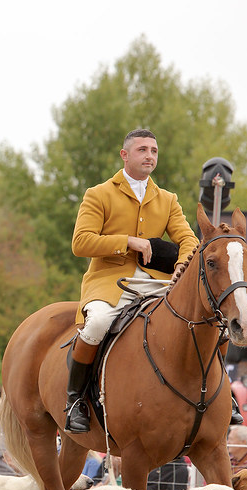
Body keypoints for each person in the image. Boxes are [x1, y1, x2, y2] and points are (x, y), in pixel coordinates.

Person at [63, 129, 200, 433]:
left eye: (153, 150)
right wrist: (128, 242)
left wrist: (180, 265)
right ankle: (76, 401)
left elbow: (188, 239)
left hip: (158, 283)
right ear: (125, 155)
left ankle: (220, 397)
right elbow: (80, 242)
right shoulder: (98, 194)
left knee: (204, 317)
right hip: (108, 280)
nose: (149, 155)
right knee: (97, 324)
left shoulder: (167, 199)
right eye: (142, 150)